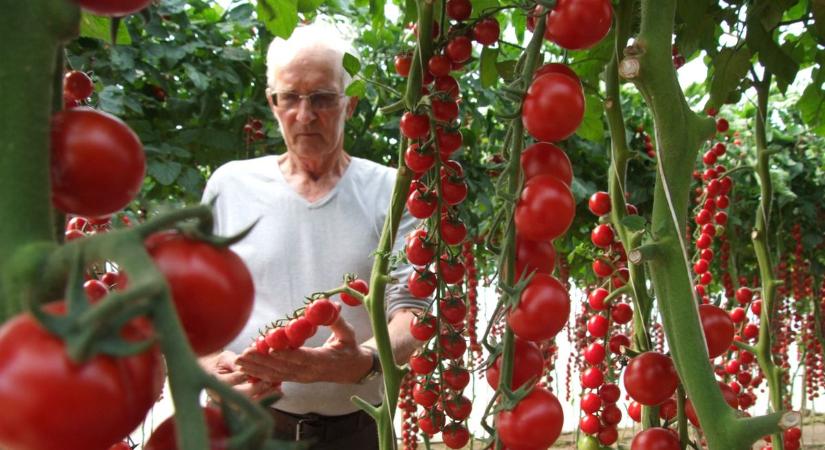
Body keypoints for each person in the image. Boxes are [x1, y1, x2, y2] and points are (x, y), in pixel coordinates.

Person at [198, 22, 428, 449]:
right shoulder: (229, 186)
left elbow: (413, 311)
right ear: (272, 103)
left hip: (358, 432)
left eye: (322, 97)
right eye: (290, 98)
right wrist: (211, 369)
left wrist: (366, 361)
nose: (305, 115)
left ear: (350, 103)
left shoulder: (393, 192)